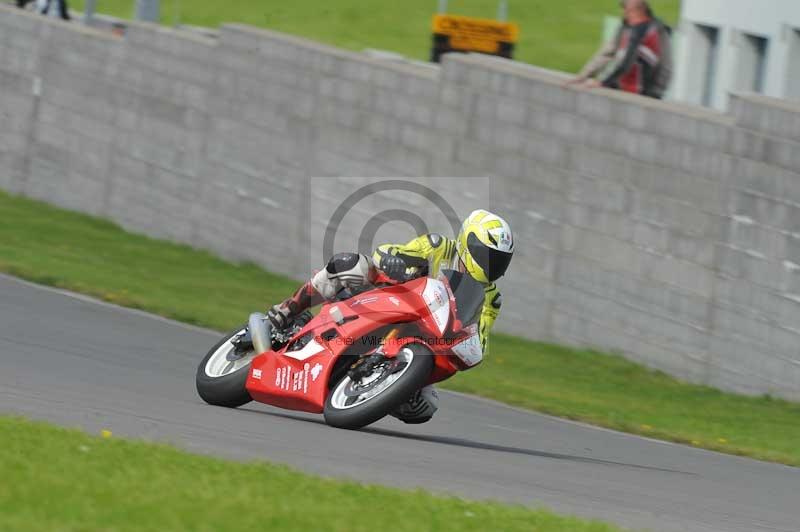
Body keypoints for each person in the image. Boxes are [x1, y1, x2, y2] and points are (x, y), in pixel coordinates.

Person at [267, 209, 514, 424]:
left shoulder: (491, 298)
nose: (493, 265)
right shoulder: (438, 247)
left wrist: (473, 347)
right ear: (468, 243)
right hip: (391, 301)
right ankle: (288, 310)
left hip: (425, 341)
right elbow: (391, 251)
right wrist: (392, 260)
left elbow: (479, 336)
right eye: (487, 255)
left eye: (500, 261)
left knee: (424, 406)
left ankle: (376, 390)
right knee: (351, 264)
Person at [566, 0, 672, 99]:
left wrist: (656, 93)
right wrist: (583, 75)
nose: (623, 13)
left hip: (646, 92)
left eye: (626, 9)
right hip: (625, 86)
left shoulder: (657, 31)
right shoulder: (626, 26)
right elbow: (608, 53)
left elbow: (665, 65)